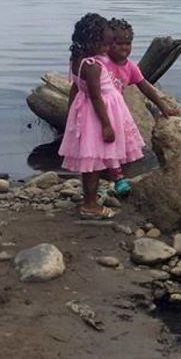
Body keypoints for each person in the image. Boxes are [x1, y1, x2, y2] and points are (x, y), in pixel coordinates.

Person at [57, 13, 144, 218]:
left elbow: (76, 88)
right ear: (92, 42)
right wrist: (106, 125)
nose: (108, 49)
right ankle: (90, 204)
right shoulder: (93, 66)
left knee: (91, 161)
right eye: (105, 45)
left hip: (85, 111)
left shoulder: (78, 60)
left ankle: (90, 198)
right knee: (94, 163)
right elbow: (96, 97)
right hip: (98, 115)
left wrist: (70, 112)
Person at [102, 17, 180, 195]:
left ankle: (117, 176)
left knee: (114, 145)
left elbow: (145, 87)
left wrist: (163, 107)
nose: (125, 48)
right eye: (119, 43)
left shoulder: (129, 67)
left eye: (128, 43)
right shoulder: (102, 63)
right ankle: (101, 178)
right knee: (97, 147)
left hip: (115, 113)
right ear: (107, 44)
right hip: (98, 111)